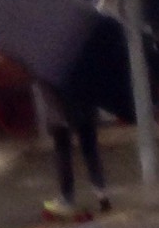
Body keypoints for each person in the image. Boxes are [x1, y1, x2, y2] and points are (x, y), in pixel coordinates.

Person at [39, 81, 111, 219]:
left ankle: (67, 198)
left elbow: (49, 95)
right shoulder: (78, 62)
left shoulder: (45, 66)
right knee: (90, 148)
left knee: (63, 152)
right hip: (85, 108)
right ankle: (101, 193)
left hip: (60, 113)